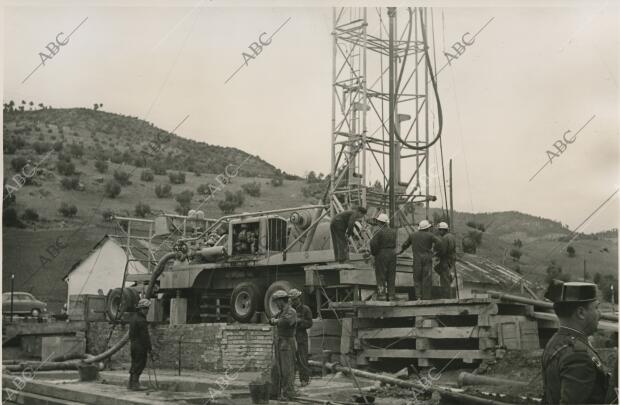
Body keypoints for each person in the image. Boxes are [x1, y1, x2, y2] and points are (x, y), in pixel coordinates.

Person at [541, 282, 612, 404]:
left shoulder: (555, 341)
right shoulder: (578, 356)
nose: (600, 314)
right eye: (596, 308)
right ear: (581, 313)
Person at [397, 219, 442, 300]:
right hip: (427, 259)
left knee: (417, 278)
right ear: (427, 228)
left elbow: (405, 244)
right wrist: (434, 251)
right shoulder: (430, 235)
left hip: (417, 259)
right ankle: (426, 297)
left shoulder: (412, 235)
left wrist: (401, 251)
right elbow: (439, 242)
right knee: (426, 279)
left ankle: (418, 297)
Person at [269, 290, 298, 400]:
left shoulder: (291, 311)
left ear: (282, 301)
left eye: (277, 302)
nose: (276, 304)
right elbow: (271, 320)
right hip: (279, 342)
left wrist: (275, 321)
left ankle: (288, 393)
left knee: (287, 369)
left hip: (287, 343)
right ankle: (275, 392)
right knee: (276, 369)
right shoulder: (281, 312)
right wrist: (274, 320)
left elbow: (285, 322)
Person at [369, 213, 397, 300]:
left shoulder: (378, 231)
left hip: (382, 254)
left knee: (381, 275)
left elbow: (373, 243)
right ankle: (391, 295)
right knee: (391, 275)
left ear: (380, 222)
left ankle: (382, 295)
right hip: (392, 254)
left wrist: (374, 253)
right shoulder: (393, 231)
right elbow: (395, 243)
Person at [289, 288, 313, 387]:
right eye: (292, 300)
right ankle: (291, 380)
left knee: (302, 359)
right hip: (291, 338)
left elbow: (309, 323)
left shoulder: (305, 309)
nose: (293, 301)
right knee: (290, 360)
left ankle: (304, 380)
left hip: (301, 337)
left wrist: (299, 322)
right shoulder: (289, 310)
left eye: (295, 299)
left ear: (299, 298)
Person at [128, 298, 152, 391]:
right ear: (143, 309)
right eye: (147, 309)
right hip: (140, 346)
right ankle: (135, 384)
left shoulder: (134, 318)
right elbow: (145, 336)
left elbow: (130, 334)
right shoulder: (141, 320)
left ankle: (130, 383)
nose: (147, 311)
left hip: (133, 344)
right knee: (140, 363)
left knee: (134, 363)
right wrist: (149, 348)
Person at [435, 222, 456, 299]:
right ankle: (448, 296)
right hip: (451, 260)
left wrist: (437, 255)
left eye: (440, 230)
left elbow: (443, 251)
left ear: (443, 230)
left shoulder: (445, 238)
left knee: (444, 280)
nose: (439, 232)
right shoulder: (452, 237)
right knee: (446, 277)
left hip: (445, 260)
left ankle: (446, 297)